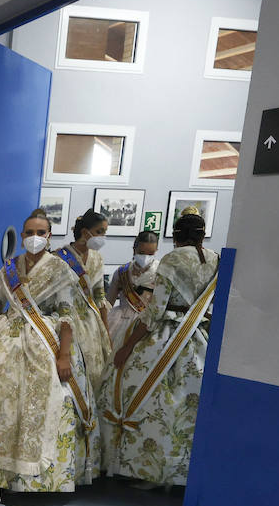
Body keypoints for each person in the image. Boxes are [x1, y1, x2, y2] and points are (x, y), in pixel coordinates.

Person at [0, 209, 96, 492]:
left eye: (40, 233)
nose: (33, 238)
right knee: (0, 399)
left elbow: (66, 314)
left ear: (49, 236)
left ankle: (36, 479)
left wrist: (64, 354)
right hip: (7, 337)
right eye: (28, 233)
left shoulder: (59, 268)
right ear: (22, 235)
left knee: (44, 401)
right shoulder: (9, 267)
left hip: (46, 342)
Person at [104, 211, 219, 487]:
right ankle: (184, 472)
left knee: (141, 394)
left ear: (176, 236)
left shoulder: (172, 259)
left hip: (167, 336)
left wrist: (127, 346)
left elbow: (155, 310)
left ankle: (146, 469)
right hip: (201, 337)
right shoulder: (216, 258)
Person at [51, 208, 113, 477]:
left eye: (104, 233)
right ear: (86, 232)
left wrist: (105, 329)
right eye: (100, 232)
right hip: (65, 319)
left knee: (94, 379)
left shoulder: (97, 258)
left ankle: (89, 449)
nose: (102, 238)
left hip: (89, 322)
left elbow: (99, 295)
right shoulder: (59, 258)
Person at [106, 230, 160, 352]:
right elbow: (109, 302)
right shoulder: (122, 272)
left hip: (147, 323)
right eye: (141, 252)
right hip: (120, 321)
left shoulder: (161, 272)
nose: (146, 257)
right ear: (134, 250)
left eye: (151, 253)